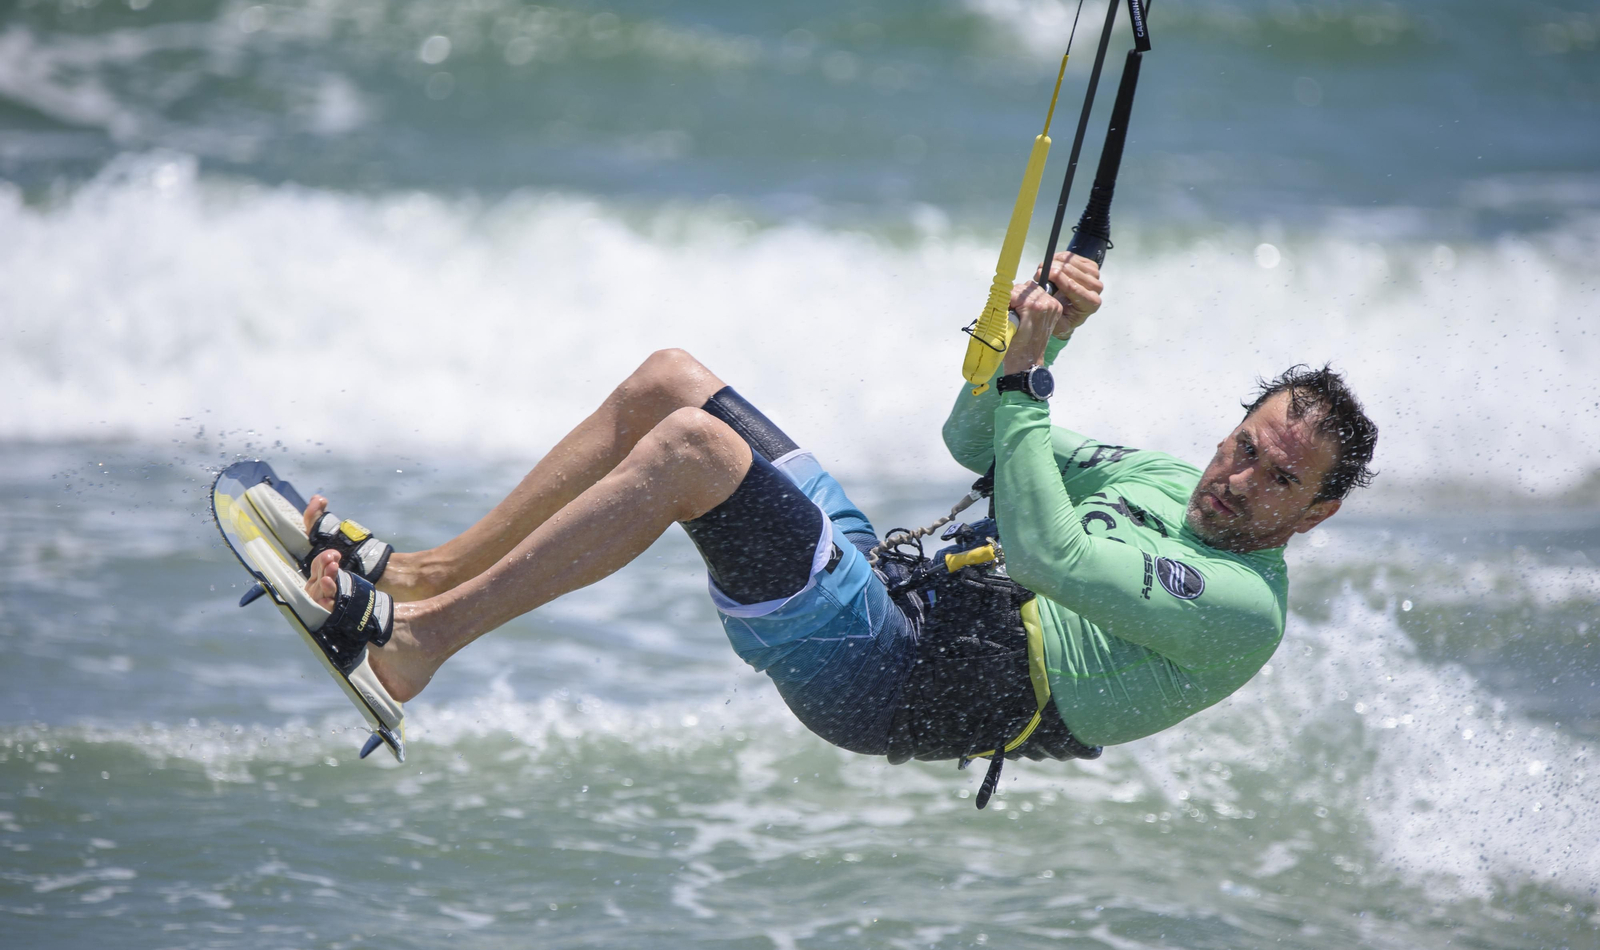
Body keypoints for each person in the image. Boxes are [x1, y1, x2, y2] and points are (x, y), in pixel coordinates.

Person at [297, 253, 1377, 799]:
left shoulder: (1242, 611)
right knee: (669, 380)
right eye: (1244, 445)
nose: (1236, 479)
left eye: (1277, 479)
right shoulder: (1161, 475)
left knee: (694, 453)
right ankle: (424, 573)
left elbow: (1050, 551)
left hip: (890, 680)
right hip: (889, 589)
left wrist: (1032, 381)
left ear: (1316, 513)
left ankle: (417, 646)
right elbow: (972, 436)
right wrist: (1034, 339)